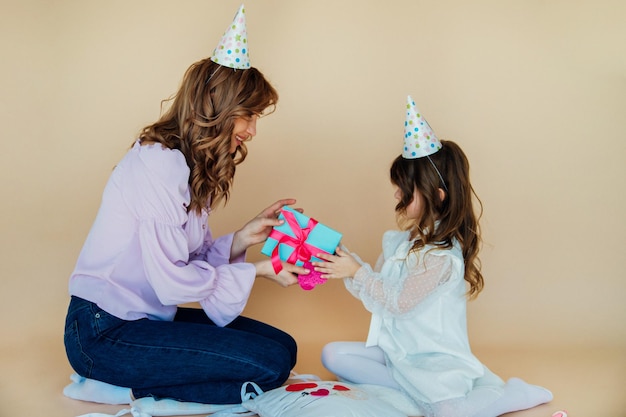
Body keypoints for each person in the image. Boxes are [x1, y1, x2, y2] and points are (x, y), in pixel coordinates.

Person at [63, 5, 308, 406]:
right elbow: (171, 281)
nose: (252, 130)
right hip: (102, 331)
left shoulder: (190, 166)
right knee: (267, 365)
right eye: (248, 115)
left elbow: (188, 258)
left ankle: (137, 384)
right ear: (216, 106)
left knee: (283, 347)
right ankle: (119, 387)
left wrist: (244, 235)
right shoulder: (158, 164)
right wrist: (261, 270)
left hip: (146, 320)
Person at [312, 97, 553, 417]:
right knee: (333, 355)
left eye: (403, 189)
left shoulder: (442, 258)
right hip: (399, 355)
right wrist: (345, 263)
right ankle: (413, 393)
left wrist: (356, 272)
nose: (396, 194)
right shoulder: (402, 242)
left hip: (432, 361)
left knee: (448, 412)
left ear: (436, 196)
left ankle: (511, 395)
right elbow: (380, 294)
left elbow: (398, 302)